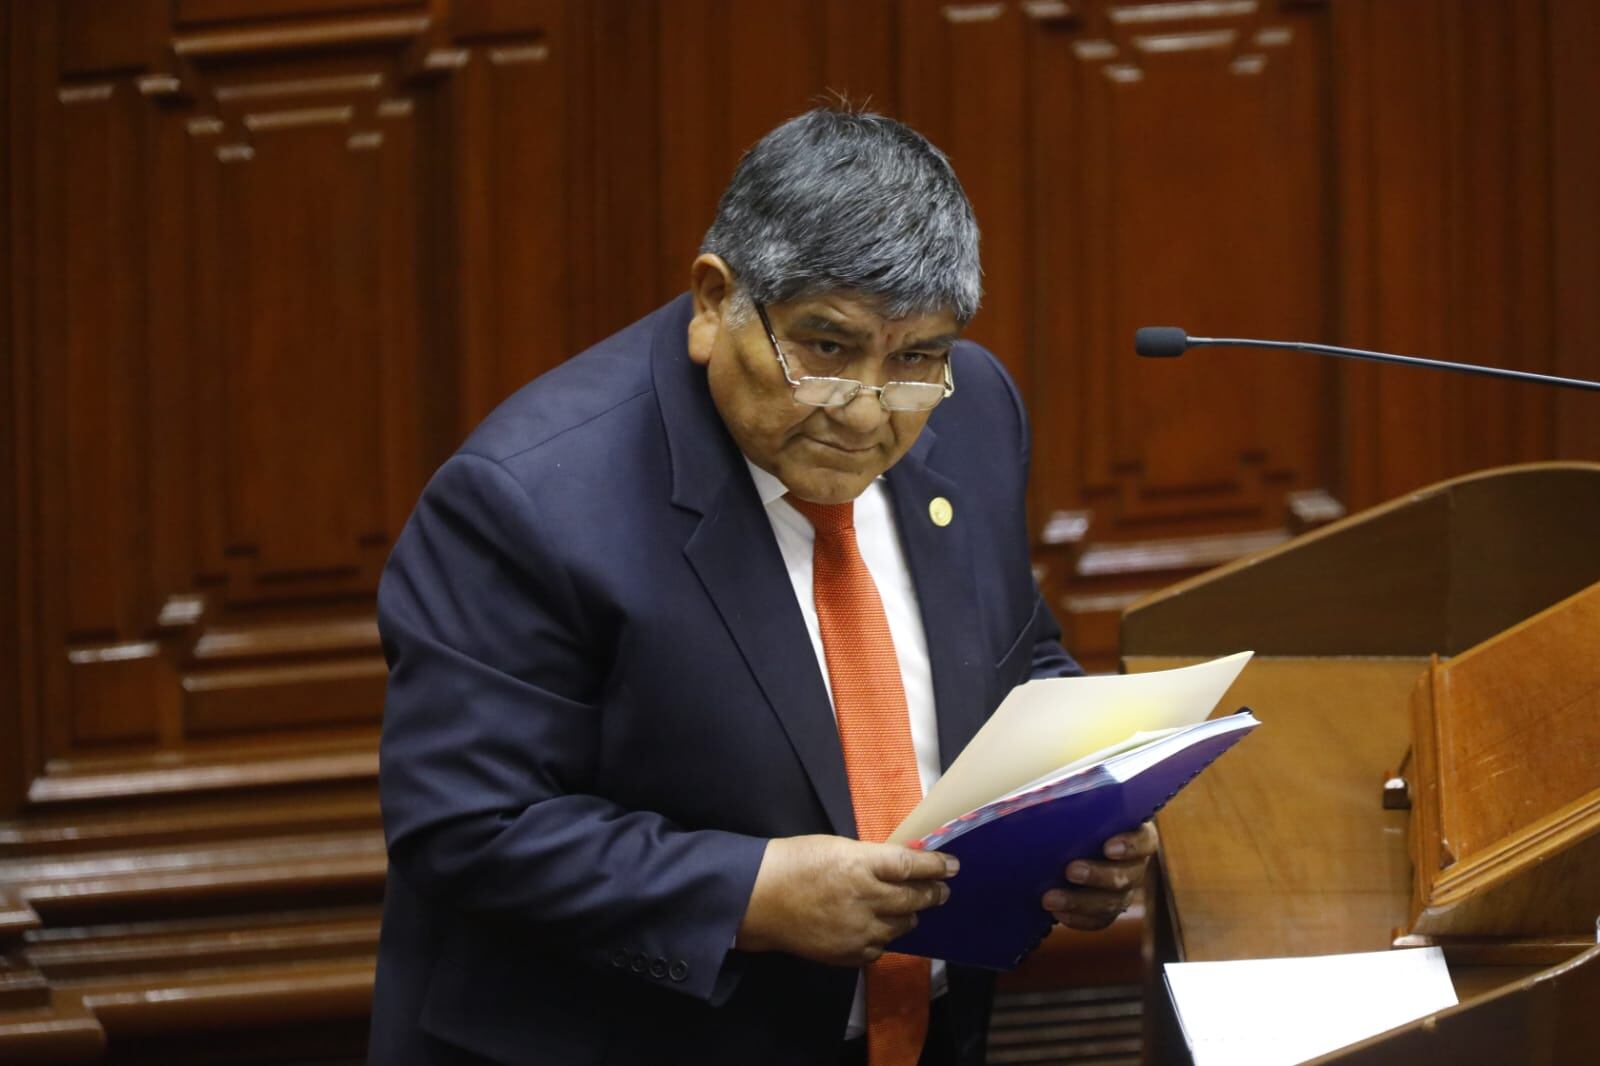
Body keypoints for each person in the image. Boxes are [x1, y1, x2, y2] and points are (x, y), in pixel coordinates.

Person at [369, 106, 1157, 1066]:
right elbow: (467, 825)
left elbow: (1015, 648)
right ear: (715, 302)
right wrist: (750, 893)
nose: (866, 412)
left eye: (914, 357)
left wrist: (1085, 807)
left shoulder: (975, 406)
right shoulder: (529, 500)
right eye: (825, 349)